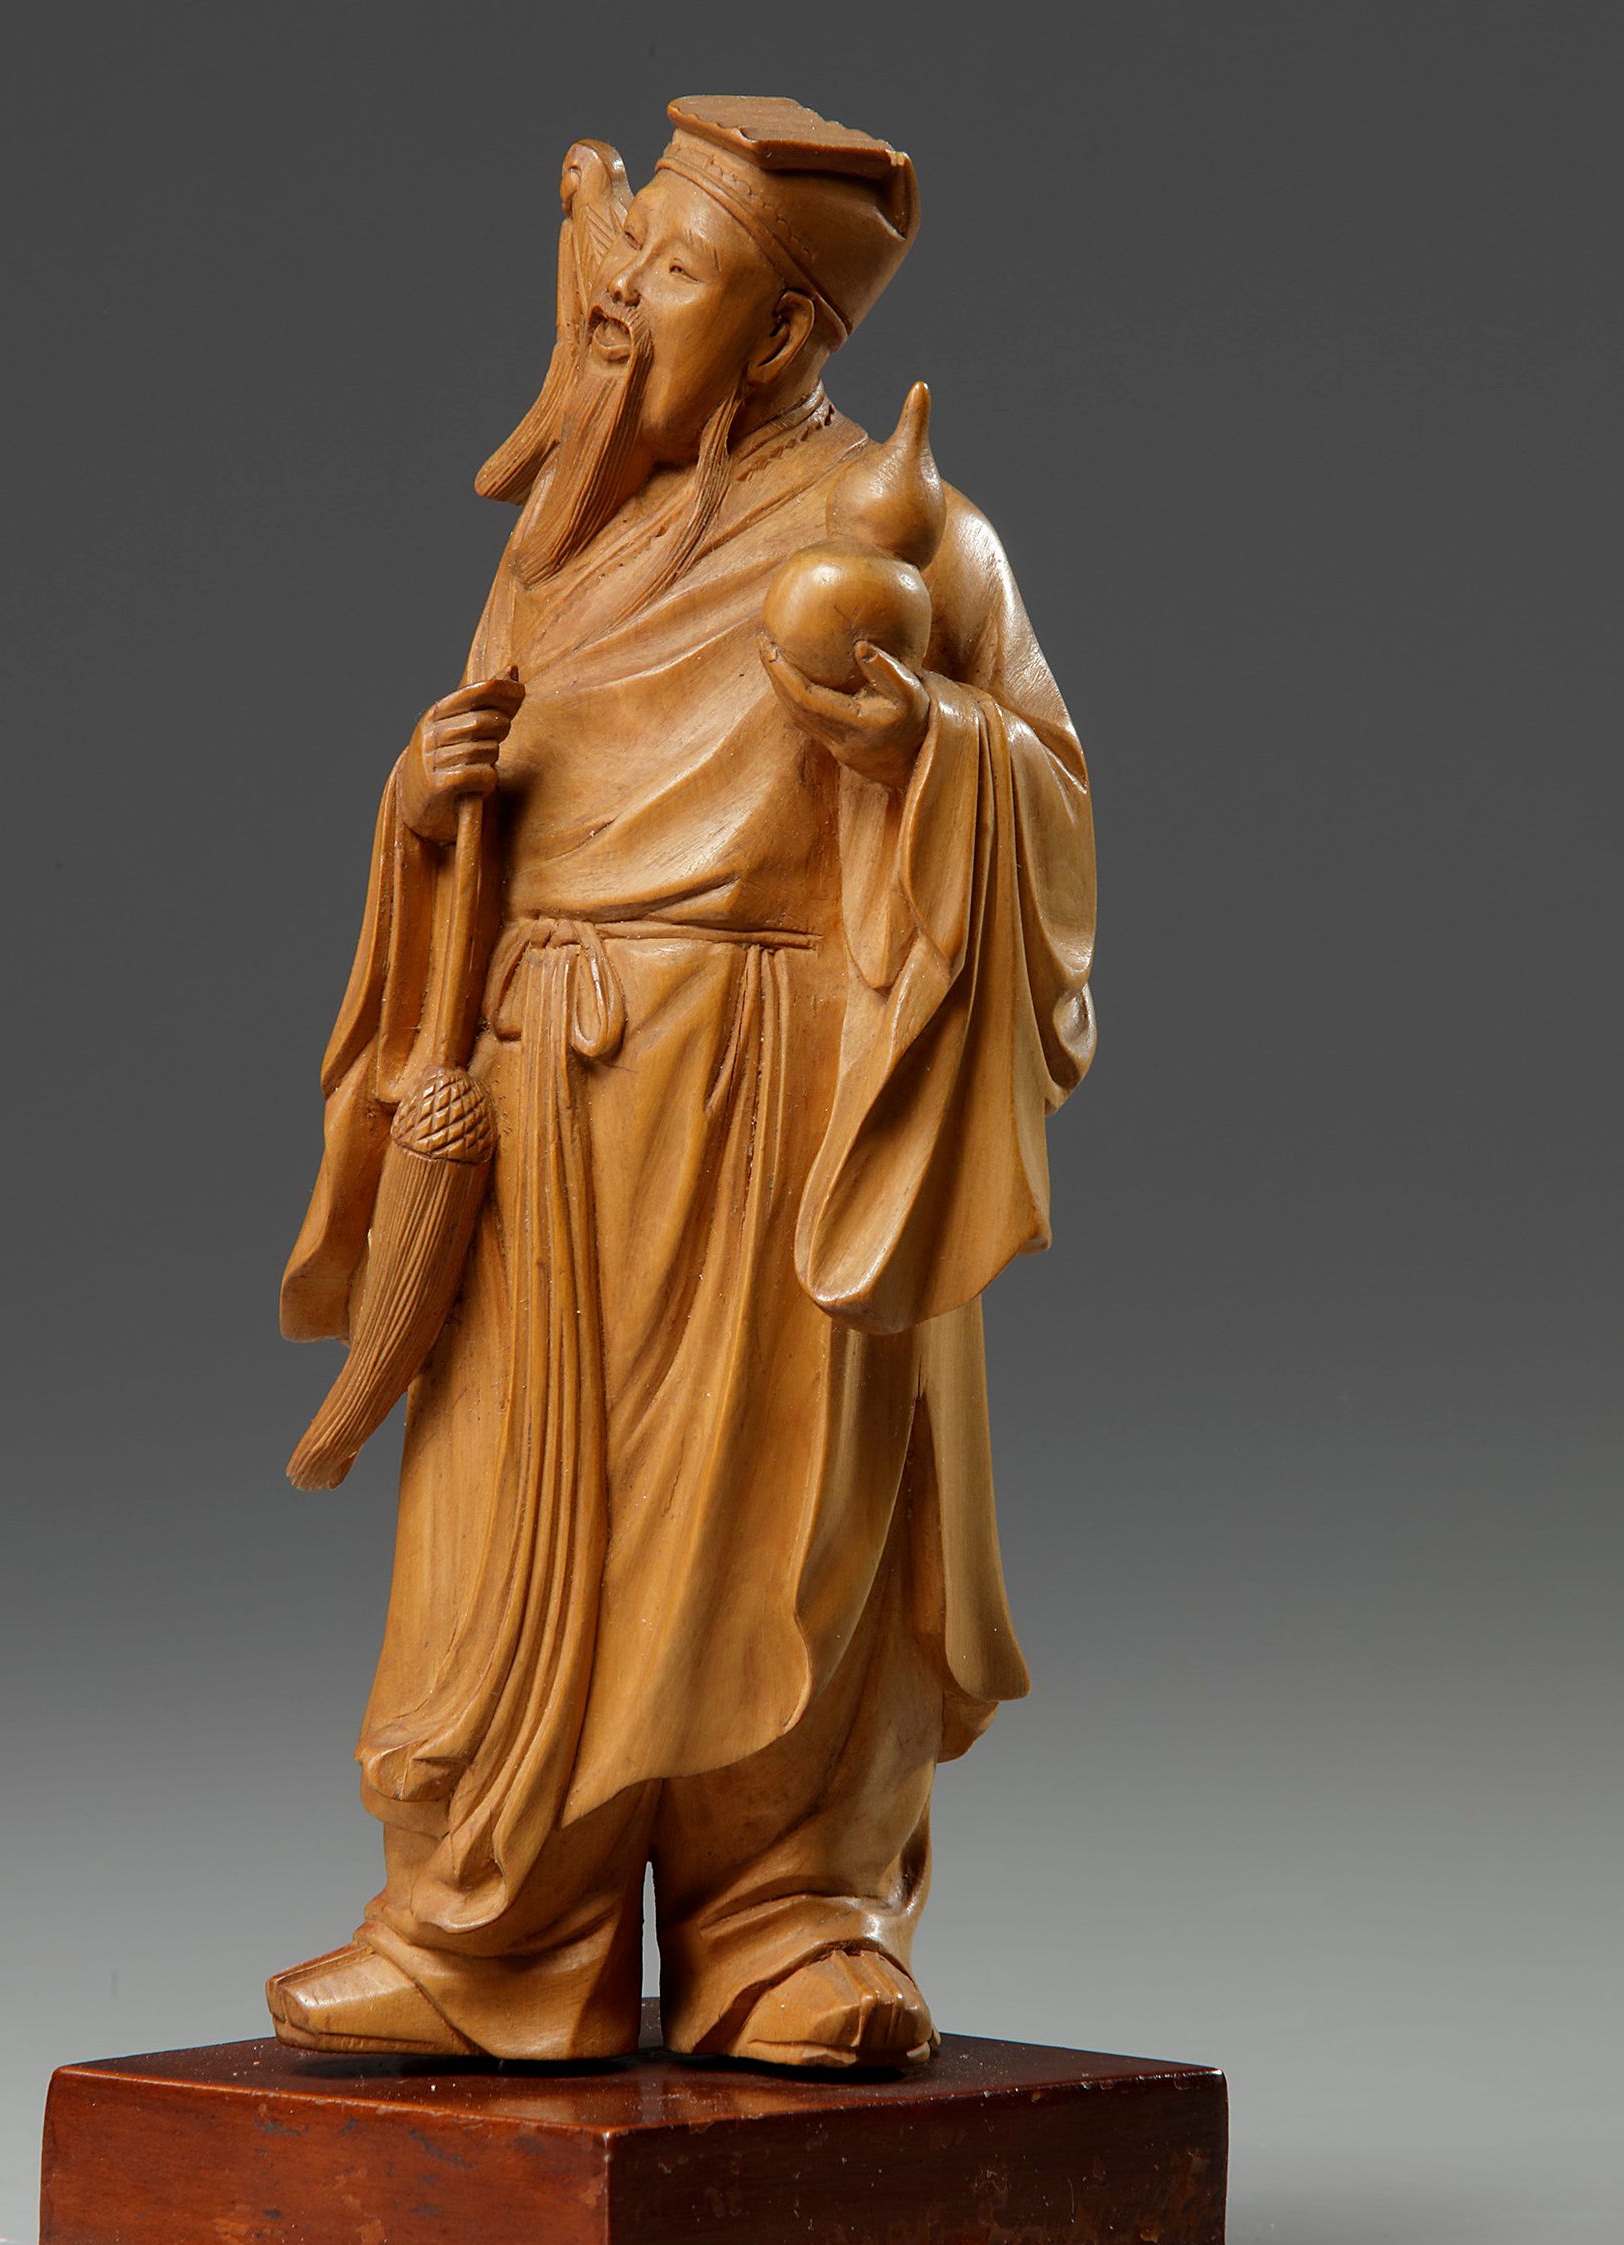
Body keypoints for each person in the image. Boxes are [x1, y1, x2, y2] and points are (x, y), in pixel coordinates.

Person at [267, 96, 1096, 2068]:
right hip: (548, 1095)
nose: (627, 293)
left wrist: (916, 743)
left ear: (790, 331)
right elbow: (491, 813)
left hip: (777, 1093)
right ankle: (498, 1928)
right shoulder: (571, 536)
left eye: (684, 269)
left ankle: (786, 1917)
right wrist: (419, 808)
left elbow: (1049, 809)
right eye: (630, 250)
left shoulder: (909, 533)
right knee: (526, 1527)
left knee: (779, 1530)